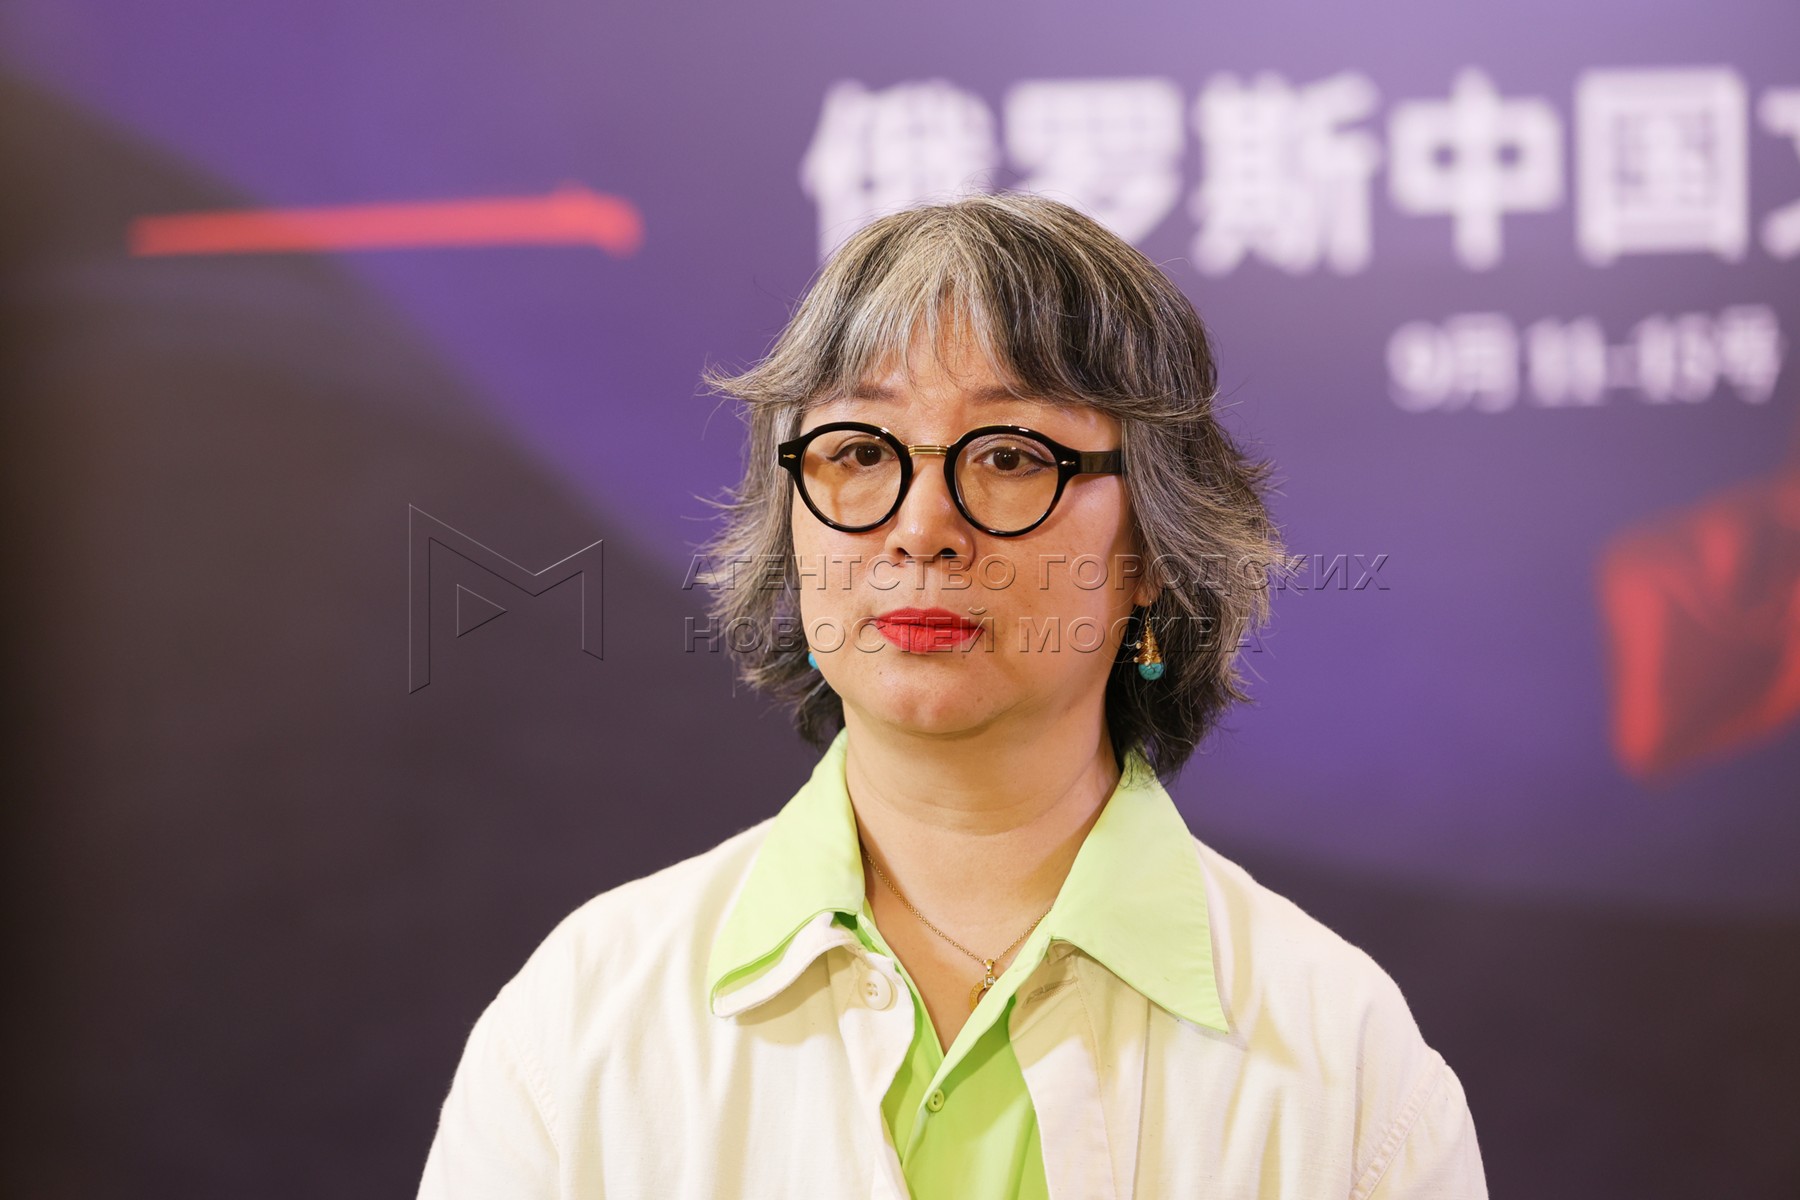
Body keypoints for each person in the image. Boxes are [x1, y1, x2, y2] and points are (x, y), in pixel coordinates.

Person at [416, 192, 1489, 1198]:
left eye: (1011, 457)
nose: (922, 526)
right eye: (856, 450)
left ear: (1156, 547)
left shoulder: (1343, 1061)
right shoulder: (581, 1023)